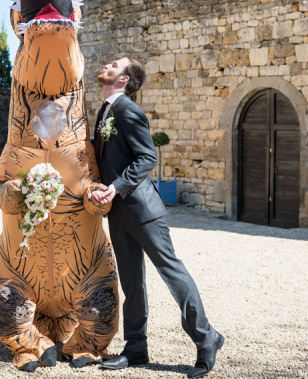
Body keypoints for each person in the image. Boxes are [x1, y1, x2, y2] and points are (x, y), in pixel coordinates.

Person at [90, 57, 224, 378]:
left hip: (143, 210)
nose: (107, 65)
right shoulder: (105, 110)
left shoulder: (127, 110)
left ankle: (207, 339)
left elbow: (148, 156)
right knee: (132, 282)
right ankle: (136, 348)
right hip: (117, 211)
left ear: (123, 80)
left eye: (114, 65)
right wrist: (100, 188)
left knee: (171, 272)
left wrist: (116, 186)